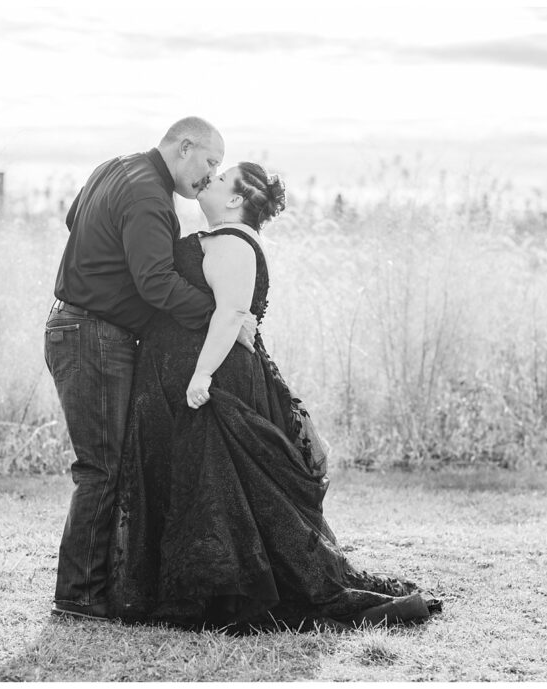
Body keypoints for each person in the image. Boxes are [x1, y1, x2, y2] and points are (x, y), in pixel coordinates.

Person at [107, 162, 442, 631]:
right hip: (194, 381)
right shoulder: (219, 237)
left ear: (236, 200)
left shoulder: (231, 242)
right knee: (205, 486)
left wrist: (201, 376)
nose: (210, 180)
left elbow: (231, 314)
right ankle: (202, 591)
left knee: (223, 488)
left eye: (220, 179)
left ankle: (225, 597)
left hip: (214, 385)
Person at [44, 118, 258, 621]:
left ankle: (95, 589)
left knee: (106, 465)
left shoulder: (114, 169)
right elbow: (156, 283)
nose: (211, 175)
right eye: (209, 162)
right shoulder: (148, 194)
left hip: (78, 329)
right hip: (93, 335)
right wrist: (221, 316)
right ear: (184, 147)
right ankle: (79, 596)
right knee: (101, 468)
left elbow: (76, 220)